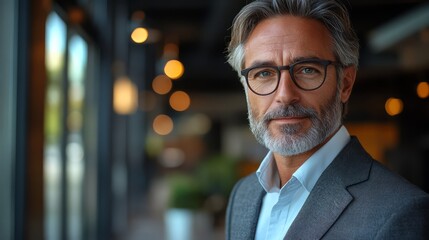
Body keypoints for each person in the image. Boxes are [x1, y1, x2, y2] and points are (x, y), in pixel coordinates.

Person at [224, 0, 429, 239]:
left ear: (345, 83)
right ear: (245, 86)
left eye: (307, 70)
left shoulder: (400, 211)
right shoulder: (243, 195)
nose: (285, 95)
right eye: (264, 74)